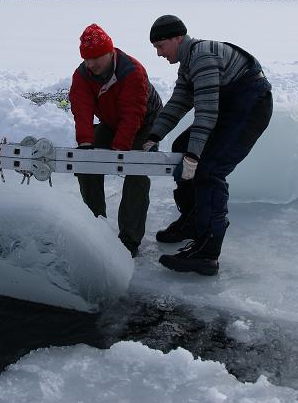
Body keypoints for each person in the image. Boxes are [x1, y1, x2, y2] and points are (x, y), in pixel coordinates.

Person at [144, 15, 273, 276]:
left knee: (210, 170)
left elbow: (206, 112)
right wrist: (153, 136)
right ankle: (193, 221)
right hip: (230, 106)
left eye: (160, 46)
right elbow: (179, 103)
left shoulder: (202, 58)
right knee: (182, 145)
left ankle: (207, 252)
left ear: (177, 38)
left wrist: (194, 157)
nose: (158, 53)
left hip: (251, 106)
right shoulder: (188, 62)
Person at [69, 23, 163, 257]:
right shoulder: (82, 75)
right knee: (85, 162)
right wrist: (85, 144)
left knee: (136, 169)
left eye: (95, 58)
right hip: (111, 122)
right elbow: (82, 110)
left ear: (110, 52)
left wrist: (119, 151)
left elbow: (133, 115)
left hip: (145, 123)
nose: (90, 64)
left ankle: (129, 240)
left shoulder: (132, 71)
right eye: (86, 59)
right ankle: (95, 225)